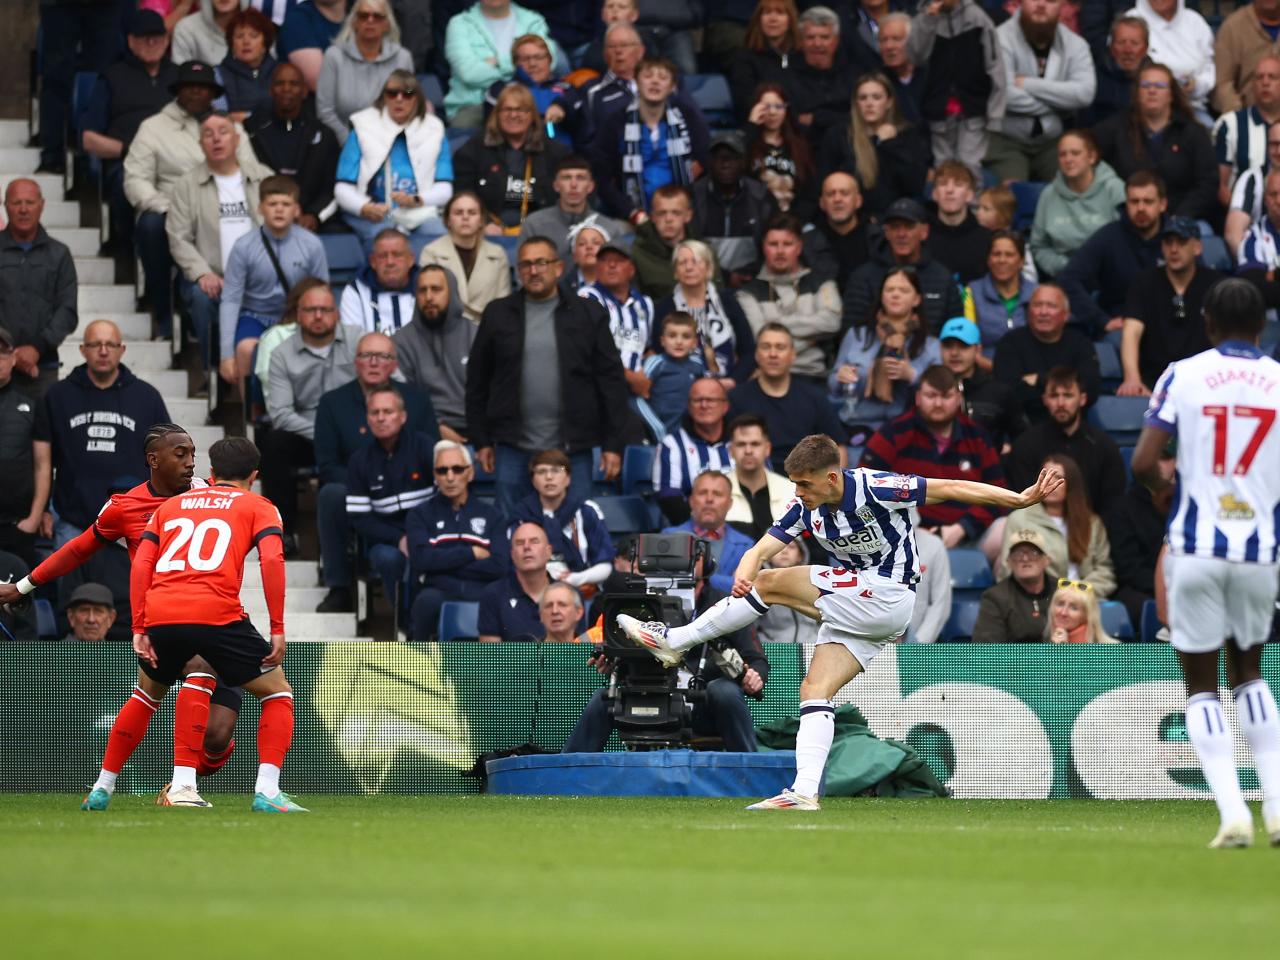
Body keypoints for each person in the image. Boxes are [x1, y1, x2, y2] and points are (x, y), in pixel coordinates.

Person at [616, 433, 1065, 809]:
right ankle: (805, 792)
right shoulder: (804, 505)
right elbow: (762, 546)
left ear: (832, 478)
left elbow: (950, 487)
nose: (799, 493)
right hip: (859, 603)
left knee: (772, 586)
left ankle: (675, 640)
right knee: (815, 690)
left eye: (805, 485)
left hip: (889, 593)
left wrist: (1018, 499)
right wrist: (745, 568)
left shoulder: (877, 486)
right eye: (794, 484)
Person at [0, 424, 239, 811]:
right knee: (198, 666)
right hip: (166, 615)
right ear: (153, 459)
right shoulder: (124, 507)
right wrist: (23, 586)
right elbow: (78, 549)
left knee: (215, 737)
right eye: (180, 453)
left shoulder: (211, 494)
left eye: (193, 452)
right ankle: (175, 786)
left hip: (218, 612)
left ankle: (140, 782)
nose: (190, 461)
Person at [1131, 277, 1280, 846]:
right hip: (1258, 549)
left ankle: (1232, 813)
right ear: (1262, 326)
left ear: (1209, 324)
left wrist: (1164, 491)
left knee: (1200, 685)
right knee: (1250, 672)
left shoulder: (1184, 373)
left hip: (1194, 545)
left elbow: (1145, 460)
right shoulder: (1277, 380)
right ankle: (1276, 803)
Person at [131, 437, 306, 812]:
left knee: (152, 696)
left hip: (162, 613)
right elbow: (273, 561)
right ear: (255, 476)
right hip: (217, 613)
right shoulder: (259, 506)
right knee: (278, 693)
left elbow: (142, 563)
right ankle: (266, 791)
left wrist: (139, 625)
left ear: (211, 473)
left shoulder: (173, 505)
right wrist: (277, 627)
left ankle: (112, 784)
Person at [465, 236, 630, 517]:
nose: (533, 270)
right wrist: (481, 440)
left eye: (541, 262)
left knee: (576, 526)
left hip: (573, 448)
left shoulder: (587, 313)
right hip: (512, 446)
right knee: (511, 528)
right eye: (526, 264)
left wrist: (613, 445)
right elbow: (478, 381)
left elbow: (611, 381)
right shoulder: (498, 314)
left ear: (558, 267)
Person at [565, 551, 769, 753]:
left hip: (703, 703)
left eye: (689, 555)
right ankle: (566, 775)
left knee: (724, 691)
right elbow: (620, 648)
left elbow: (756, 659)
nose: (677, 563)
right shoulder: (638, 604)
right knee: (603, 698)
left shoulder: (728, 607)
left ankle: (748, 768)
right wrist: (612, 662)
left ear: (705, 563)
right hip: (648, 695)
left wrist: (754, 676)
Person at [36, 319, 171, 611]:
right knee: (71, 604)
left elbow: (168, 459)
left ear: (122, 349)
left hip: (134, 521)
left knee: (139, 601)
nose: (103, 351)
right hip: (74, 518)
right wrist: (45, 509)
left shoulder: (146, 397)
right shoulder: (58, 396)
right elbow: (43, 463)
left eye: (110, 344)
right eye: (96, 344)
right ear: (83, 349)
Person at [125, 61, 255, 340]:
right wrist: (167, 208)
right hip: (171, 206)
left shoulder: (231, 127)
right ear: (177, 91)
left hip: (224, 205)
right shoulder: (153, 127)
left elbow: (252, 173)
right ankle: (163, 311)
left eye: (203, 88)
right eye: (189, 87)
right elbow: (135, 179)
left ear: (213, 93)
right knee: (150, 225)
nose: (196, 93)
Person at [313, 332, 436, 612]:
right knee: (331, 494)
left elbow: (434, 454)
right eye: (367, 355)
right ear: (355, 361)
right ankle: (339, 586)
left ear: (394, 364)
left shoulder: (417, 400)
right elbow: (327, 464)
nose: (374, 362)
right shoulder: (333, 402)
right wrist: (369, 486)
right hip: (356, 488)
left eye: (383, 356)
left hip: (412, 491)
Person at [166, 111, 271, 371]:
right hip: (214, 276)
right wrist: (202, 274)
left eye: (223, 132)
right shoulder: (185, 185)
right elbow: (178, 237)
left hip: (260, 277)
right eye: (208, 134)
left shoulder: (263, 178)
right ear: (200, 144)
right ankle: (214, 371)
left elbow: (280, 229)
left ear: (237, 140)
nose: (216, 139)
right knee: (202, 298)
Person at [861, 364, 1006, 547]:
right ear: (918, 398)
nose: (938, 403)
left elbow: (998, 493)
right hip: (905, 536)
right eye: (931, 396)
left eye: (946, 396)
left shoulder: (977, 436)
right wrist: (908, 527)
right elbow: (862, 486)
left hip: (968, 534)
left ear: (958, 398)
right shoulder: (894, 433)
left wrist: (962, 528)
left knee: (1006, 527)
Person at [264, 281, 361, 552]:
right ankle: (282, 533)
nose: (318, 316)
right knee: (274, 442)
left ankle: (351, 536)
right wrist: (324, 435)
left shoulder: (357, 341)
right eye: (310, 310)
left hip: (353, 434)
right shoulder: (281, 354)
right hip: (308, 435)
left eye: (325, 309)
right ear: (298, 315)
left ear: (337, 313)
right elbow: (281, 413)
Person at [80, 11, 180, 268]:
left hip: (177, 162)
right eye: (143, 38)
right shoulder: (112, 77)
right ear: (130, 41)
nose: (151, 44)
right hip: (127, 162)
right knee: (125, 182)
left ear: (167, 40)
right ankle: (124, 248)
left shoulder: (181, 78)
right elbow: (89, 139)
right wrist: (131, 151)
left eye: (156, 38)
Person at [218, 175, 329, 391]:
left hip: (296, 318)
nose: (279, 210)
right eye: (272, 204)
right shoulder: (244, 247)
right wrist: (226, 355)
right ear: (260, 208)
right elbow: (231, 299)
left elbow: (322, 294)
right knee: (246, 350)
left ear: (296, 209)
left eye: (286, 204)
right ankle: (249, 418)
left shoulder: (312, 244)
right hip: (255, 316)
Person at [333, 70, 453, 255]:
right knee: (386, 239)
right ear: (383, 98)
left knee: (440, 237)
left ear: (417, 98)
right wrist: (364, 207)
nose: (399, 99)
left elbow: (445, 188)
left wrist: (417, 200)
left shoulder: (434, 129)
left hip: (419, 211)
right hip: (372, 213)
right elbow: (342, 188)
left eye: (407, 94)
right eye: (392, 93)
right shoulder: (363, 127)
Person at [343, 386, 436, 614]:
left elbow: (445, 496)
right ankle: (404, 622)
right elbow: (360, 518)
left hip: (430, 534)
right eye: (375, 413)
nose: (381, 418)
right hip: (388, 541)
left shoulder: (425, 447)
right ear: (368, 418)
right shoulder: (359, 460)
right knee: (387, 558)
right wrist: (400, 538)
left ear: (402, 416)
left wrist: (417, 537)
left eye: (388, 411)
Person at [1092, 62, 1219, 223]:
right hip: (1125, 220)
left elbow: (1207, 183)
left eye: (1159, 86)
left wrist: (1180, 216)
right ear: (1137, 93)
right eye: (1145, 85)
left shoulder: (1192, 133)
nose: (1152, 91)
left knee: (1204, 236)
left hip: (1181, 219)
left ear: (1171, 95)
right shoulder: (1113, 129)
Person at [985, 0, 1096, 183]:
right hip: (1006, 140)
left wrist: (1028, 84)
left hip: (1053, 142)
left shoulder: (1076, 45)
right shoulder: (999, 38)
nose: (1041, 4)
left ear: (1062, 5)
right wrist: (1061, 103)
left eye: (1050, 0)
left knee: (1071, 188)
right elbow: (1003, 95)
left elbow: (1084, 94)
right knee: (1012, 196)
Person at [589, 56, 710, 223]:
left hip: (683, 216)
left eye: (662, 77)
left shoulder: (689, 118)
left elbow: (706, 163)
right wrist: (631, 213)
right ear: (636, 82)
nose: (655, 82)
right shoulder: (616, 121)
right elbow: (602, 177)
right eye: (648, 76)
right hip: (628, 217)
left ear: (672, 87)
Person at [405, 440, 505, 641]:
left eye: (457, 469)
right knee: (425, 603)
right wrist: (471, 553)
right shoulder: (420, 515)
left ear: (470, 473)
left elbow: (500, 565)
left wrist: (443, 563)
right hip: (439, 591)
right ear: (435, 475)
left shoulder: (494, 516)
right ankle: (420, 669)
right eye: (442, 471)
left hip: (482, 591)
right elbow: (421, 560)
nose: (450, 477)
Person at [829, 267, 942, 441]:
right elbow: (832, 386)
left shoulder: (931, 345)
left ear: (917, 299)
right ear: (881, 296)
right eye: (889, 289)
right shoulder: (858, 335)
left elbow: (939, 392)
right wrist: (840, 377)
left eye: (903, 290)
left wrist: (911, 375)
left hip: (909, 433)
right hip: (857, 428)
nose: (895, 294)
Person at [1057, 170, 1168, 339]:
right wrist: (1101, 320)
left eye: (1148, 201)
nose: (1140, 208)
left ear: (1162, 204)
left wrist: (1181, 314)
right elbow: (1068, 278)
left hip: (1168, 321)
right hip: (1123, 324)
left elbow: (1193, 285)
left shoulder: (1177, 239)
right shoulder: (1109, 236)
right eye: (1134, 201)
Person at [1118, 217, 1220, 396]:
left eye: (1181, 242)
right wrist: (1132, 378)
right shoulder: (1144, 283)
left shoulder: (1216, 285)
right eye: (1168, 242)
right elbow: (1131, 331)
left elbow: (1228, 335)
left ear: (1197, 247)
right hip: (1155, 385)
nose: (1173, 249)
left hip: (1205, 384)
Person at [907, 0, 1005, 184]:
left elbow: (995, 66)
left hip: (974, 110)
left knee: (970, 168)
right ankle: (945, 211)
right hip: (938, 112)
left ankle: (972, 211)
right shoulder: (923, 18)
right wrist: (929, 19)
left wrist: (995, 114)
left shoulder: (977, 18)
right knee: (942, 169)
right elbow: (916, 56)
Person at [1006, 365, 1126, 512]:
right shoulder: (1026, 445)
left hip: (1091, 528)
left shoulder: (1105, 447)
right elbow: (1022, 502)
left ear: (1082, 399)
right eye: (1054, 396)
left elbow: (1113, 504)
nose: (1061, 403)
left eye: (1068, 395)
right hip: (1039, 528)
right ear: (1044, 400)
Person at [729, 323, 848, 471]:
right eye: (766, 347)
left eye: (780, 347)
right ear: (756, 355)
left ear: (793, 355)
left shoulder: (814, 397)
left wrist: (829, 489)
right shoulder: (736, 398)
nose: (773, 354)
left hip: (806, 484)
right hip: (753, 480)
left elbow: (838, 449)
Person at [737, 214, 841, 384]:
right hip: (767, 378)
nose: (780, 251)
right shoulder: (748, 293)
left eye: (787, 244)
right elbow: (759, 337)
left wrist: (775, 323)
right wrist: (812, 338)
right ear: (763, 247)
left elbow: (832, 322)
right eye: (773, 244)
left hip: (813, 377)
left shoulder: (822, 283)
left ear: (799, 247)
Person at [843, 198, 965, 338]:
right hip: (872, 356)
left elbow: (956, 333)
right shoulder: (862, 277)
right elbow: (851, 335)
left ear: (924, 231)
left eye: (909, 226)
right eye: (895, 227)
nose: (901, 234)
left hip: (931, 357)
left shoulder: (943, 278)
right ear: (886, 232)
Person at [455, 84, 570, 233]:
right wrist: (484, 223)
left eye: (521, 110)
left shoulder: (555, 152)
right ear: (497, 114)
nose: (513, 115)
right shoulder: (474, 149)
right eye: (507, 109)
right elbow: (463, 193)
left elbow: (564, 197)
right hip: (487, 229)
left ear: (532, 115)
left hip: (542, 228)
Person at [0, 179, 78, 399]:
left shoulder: (59, 254)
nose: (23, 209)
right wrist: (6, 353)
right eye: (16, 203)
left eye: (30, 202)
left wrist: (36, 348)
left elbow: (67, 310)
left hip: (43, 368)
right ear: (6, 206)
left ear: (42, 205)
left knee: (43, 433)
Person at [995, 453, 1116, 594]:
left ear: (1072, 483)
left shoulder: (1092, 523)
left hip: (1086, 600)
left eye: (1058, 478)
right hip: (1038, 601)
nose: (1051, 483)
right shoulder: (1019, 519)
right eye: (1046, 478)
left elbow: (1105, 571)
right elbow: (1007, 570)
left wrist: (1077, 592)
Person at [817, 73, 928, 220]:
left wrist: (890, 144)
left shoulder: (907, 134)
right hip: (852, 221)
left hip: (895, 220)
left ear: (889, 102)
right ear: (856, 103)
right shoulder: (838, 136)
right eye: (863, 98)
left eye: (876, 97)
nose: (869, 104)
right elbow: (825, 183)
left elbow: (915, 185)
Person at [244, 62, 341, 230]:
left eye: (294, 84)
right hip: (260, 218)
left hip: (312, 222)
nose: (286, 89)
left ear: (304, 91)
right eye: (279, 83)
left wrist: (314, 216)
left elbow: (333, 188)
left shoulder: (324, 135)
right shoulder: (251, 130)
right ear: (270, 89)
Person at [510, 449, 615, 593]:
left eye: (556, 470)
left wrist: (576, 579)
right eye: (541, 472)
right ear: (533, 481)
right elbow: (513, 562)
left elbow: (606, 566)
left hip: (582, 590)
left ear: (568, 478)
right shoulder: (522, 514)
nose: (549, 477)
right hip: (532, 592)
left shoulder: (587, 511)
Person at [992, 287, 1102, 423]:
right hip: (1024, 429)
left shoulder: (1080, 343)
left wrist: (1040, 379)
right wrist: (1066, 391)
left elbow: (1090, 390)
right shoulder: (1010, 342)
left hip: (1072, 428)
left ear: (1066, 315)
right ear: (1028, 312)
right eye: (1037, 305)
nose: (1043, 312)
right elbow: (1008, 394)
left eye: (1051, 306)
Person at [443, 0, 557, 128]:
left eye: (519, 59)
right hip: (473, 105)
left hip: (529, 101)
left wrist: (497, 62)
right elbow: (468, 73)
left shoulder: (532, 21)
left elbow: (548, 62)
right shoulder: (459, 24)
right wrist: (518, 64)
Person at [1028, 129, 1126, 279]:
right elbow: (1039, 245)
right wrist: (1067, 267)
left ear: (1092, 157)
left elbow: (1127, 239)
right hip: (1065, 275)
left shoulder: (1114, 188)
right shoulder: (1048, 194)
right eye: (1063, 154)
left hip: (1109, 276)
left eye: (1075, 153)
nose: (1068, 159)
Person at [655, 239, 754, 384]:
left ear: (708, 268)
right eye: (682, 263)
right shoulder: (665, 307)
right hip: (681, 388)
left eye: (695, 261)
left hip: (728, 387)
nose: (689, 267)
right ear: (675, 272)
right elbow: (659, 352)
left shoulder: (728, 301)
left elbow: (749, 352)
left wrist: (733, 381)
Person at [394, 265, 474, 442]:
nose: (428, 297)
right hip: (424, 433)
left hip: (477, 433)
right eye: (422, 290)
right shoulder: (401, 341)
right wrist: (434, 428)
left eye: (436, 289)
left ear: (452, 292)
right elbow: (403, 400)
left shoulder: (475, 334)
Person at [316, 0, 414, 144]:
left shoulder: (402, 58)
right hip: (341, 146)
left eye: (377, 16)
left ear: (387, 24)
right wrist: (351, 143)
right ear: (354, 22)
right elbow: (325, 111)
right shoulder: (334, 56)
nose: (370, 20)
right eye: (363, 16)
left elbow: (408, 104)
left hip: (391, 143)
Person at [691, 132, 780, 282]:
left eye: (732, 158)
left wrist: (750, 275)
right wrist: (725, 277)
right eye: (719, 158)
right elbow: (687, 248)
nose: (725, 164)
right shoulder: (693, 197)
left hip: (754, 281)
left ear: (743, 162)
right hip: (703, 280)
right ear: (710, 162)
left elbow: (773, 246)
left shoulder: (761, 197)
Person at [1103, 445, 1175, 627]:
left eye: (1165, 458)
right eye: (1155, 458)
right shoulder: (1123, 509)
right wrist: (1163, 590)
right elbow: (1128, 568)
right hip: (1142, 590)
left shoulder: (1185, 505)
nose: (1160, 465)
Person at [546, 22, 646, 148]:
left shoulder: (657, 85)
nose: (619, 51)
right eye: (612, 46)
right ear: (604, 54)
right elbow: (569, 99)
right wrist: (559, 106)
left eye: (624, 45)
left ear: (640, 51)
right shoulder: (591, 89)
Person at [419, 192, 512, 323]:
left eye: (472, 212)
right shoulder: (431, 252)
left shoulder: (497, 253)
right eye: (458, 213)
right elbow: (431, 300)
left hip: (488, 330)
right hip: (446, 328)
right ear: (447, 221)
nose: (465, 217)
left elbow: (503, 303)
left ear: (481, 221)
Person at [938, 317, 1028, 452]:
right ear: (940, 348)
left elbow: (1024, 438)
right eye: (948, 345)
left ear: (978, 349)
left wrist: (1006, 462)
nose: (954, 353)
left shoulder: (999, 392)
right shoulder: (928, 390)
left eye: (963, 346)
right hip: (935, 470)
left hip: (987, 470)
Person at [652, 379, 735, 523]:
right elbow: (669, 498)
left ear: (725, 406)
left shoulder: (742, 442)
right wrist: (704, 526)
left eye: (711, 400)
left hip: (744, 529)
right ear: (689, 406)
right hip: (693, 529)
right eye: (698, 400)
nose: (704, 405)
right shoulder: (671, 445)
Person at [518, 155, 631, 259]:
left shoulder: (608, 228)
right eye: (567, 178)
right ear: (556, 185)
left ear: (590, 186)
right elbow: (522, 270)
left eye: (580, 178)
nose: (573, 185)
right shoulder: (534, 225)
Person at [0, 327, 48, 570]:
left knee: (18, 605)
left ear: (13, 358)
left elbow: (43, 464)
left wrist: (34, 518)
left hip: (17, 527)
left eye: (2, 353)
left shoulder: (31, 404)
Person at [663, 470, 755, 596]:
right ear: (691, 501)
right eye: (702, 493)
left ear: (730, 503)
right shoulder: (669, 537)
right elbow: (665, 582)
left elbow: (744, 589)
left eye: (717, 494)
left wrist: (700, 576)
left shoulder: (746, 545)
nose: (709, 499)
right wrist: (726, 581)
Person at [579, 242, 656, 390]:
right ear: (597, 267)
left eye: (619, 260)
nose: (612, 265)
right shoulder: (587, 297)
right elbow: (588, 351)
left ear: (631, 269)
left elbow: (646, 348)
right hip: (599, 385)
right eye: (604, 260)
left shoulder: (645, 304)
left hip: (637, 385)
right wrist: (629, 377)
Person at [1126, 0, 1215, 127]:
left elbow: (1209, 68)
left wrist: (1195, 85)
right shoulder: (1131, 20)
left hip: (1191, 107)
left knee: (1207, 130)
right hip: (1143, 109)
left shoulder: (1195, 22)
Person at [744, 84, 818, 221]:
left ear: (786, 109)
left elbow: (811, 191)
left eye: (778, 106)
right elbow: (735, 170)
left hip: (794, 220)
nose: (772, 112)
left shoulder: (800, 145)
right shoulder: (748, 142)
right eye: (766, 107)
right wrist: (751, 126)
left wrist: (794, 221)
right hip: (755, 219)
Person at [1214, 56, 1280, 210]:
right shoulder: (1230, 124)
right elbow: (1221, 188)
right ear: (1251, 85)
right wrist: (1245, 216)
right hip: (1244, 219)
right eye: (1259, 77)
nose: (1265, 83)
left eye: (1272, 77)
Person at [631, 186, 719, 300]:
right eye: (662, 213)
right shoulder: (637, 253)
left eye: (676, 213)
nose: (668, 219)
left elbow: (718, 296)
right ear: (652, 217)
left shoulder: (705, 250)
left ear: (688, 216)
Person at [971, 527, 1059, 643]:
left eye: (1033, 552)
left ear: (1047, 561)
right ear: (1009, 562)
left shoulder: (1063, 590)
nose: (1025, 558)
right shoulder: (995, 598)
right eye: (1018, 553)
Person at [785, 6, 857, 145]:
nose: (817, 44)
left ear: (836, 41)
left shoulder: (852, 75)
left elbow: (860, 119)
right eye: (810, 37)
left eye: (825, 37)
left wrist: (817, 118)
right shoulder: (786, 78)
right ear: (800, 41)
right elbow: (791, 122)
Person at [478, 521, 555, 641]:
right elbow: (490, 656)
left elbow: (578, 650)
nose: (527, 547)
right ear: (512, 555)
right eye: (520, 543)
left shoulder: (569, 594)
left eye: (534, 541)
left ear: (548, 551)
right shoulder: (493, 595)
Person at [484, 34, 572, 139]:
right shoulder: (501, 89)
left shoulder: (567, 88)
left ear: (549, 60)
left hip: (563, 152)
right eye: (525, 59)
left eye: (538, 57)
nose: (532, 63)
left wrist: (562, 106)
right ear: (515, 63)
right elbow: (492, 131)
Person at [964, 231, 1038, 356]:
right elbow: (969, 342)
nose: (1002, 260)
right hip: (985, 370)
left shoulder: (1037, 293)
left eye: (1009, 255)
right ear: (988, 260)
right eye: (996, 254)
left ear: (1021, 261)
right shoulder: (970, 292)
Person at [729, 0, 802, 122]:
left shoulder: (802, 55)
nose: (772, 19)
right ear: (759, 19)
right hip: (763, 122)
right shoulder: (744, 58)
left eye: (780, 13)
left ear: (790, 20)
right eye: (767, 13)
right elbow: (745, 100)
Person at [725, 413, 792, 541]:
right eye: (741, 444)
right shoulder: (716, 493)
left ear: (767, 448)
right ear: (730, 450)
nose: (748, 451)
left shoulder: (792, 491)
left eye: (755, 444)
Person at [635, 312, 702, 438]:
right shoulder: (655, 363)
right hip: (657, 434)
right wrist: (657, 428)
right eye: (672, 336)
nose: (679, 342)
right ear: (663, 341)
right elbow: (637, 398)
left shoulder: (698, 364)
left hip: (689, 435)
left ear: (695, 343)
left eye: (686, 337)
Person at [926, 161, 993, 286]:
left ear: (970, 195)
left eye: (958, 184)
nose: (949, 190)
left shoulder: (986, 240)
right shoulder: (921, 236)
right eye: (943, 184)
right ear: (934, 194)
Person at [340, 229, 419, 335]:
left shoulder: (426, 288)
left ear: (411, 259)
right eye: (382, 256)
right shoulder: (355, 291)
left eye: (397, 255)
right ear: (373, 261)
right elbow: (353, 341)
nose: (390, 262)